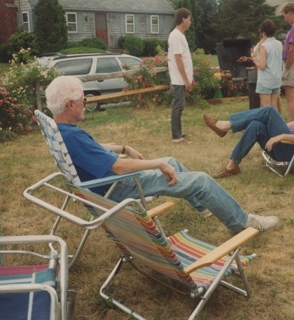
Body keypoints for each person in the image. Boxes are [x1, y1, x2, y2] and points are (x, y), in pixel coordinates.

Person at [44, 76, 279, 233]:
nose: (85, 103)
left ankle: (205, 207)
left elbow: (94, 149)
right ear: (70, 105)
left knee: (172, 161)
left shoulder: (62, 132)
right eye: (83, 100)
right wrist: (155, 164)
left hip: (104, 186)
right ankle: (245, 223)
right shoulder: (73, 137)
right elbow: (118, 167)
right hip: (117, 188)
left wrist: (123, 147)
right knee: (201, 180)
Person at [202, 81, 294, 179]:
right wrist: (272, 129)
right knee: (256, 124)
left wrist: (280, 137)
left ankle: (225, 126)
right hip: (285, 146)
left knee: (269, 110)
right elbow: (290, 125)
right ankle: (232, 166)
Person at [167, 8, 193, 144]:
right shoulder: (176, 36)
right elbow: (178, 59)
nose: (190, 22)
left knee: (180, 106)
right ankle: (177, 137)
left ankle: (178, 132)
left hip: (181, 79)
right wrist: (186, 80)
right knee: (177, 106)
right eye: (189, 19)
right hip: (179, 79)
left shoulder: (180, 35)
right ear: (183, 19)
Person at [250, 19, 283, 111]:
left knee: (266, 107)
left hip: (266, 81)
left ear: (263, 32)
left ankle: (269, 125)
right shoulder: (279, 44)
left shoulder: (264, 46)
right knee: (273, 105)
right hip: (276, 79)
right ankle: (275, 124)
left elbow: (261, 66)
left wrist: (255, 60)